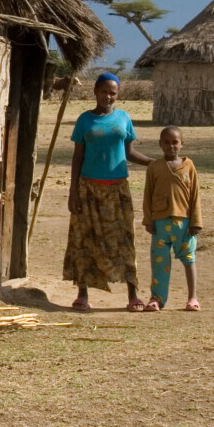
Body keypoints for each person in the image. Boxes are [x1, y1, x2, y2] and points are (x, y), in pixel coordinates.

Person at [64, 73, 153, 312]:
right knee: (85, 239)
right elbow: (77, 157)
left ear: (118, 94)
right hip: (88, 189)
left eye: (113, 92)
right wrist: (73, 191)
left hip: (118, 189)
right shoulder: (85, 120)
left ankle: (132, 294)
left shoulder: (123, 118)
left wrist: (155, 163)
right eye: (104, 91)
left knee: (124, 240)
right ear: (95, 91)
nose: (108, 96)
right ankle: (82, 294)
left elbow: (130, 153)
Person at [142, 126, 202, 312]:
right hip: (160, 223)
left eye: (175, 142)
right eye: (166, 142)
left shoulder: (189, 166)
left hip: (184, 224)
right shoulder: (155, 167)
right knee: (159, 262)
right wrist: (148, 220)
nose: (171, 146)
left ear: (182, 144)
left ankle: (192, 297)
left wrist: (196, 222)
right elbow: (148, 195)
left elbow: (195, 195)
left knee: (188, 258)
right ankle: (156, 299)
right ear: (160, 144)